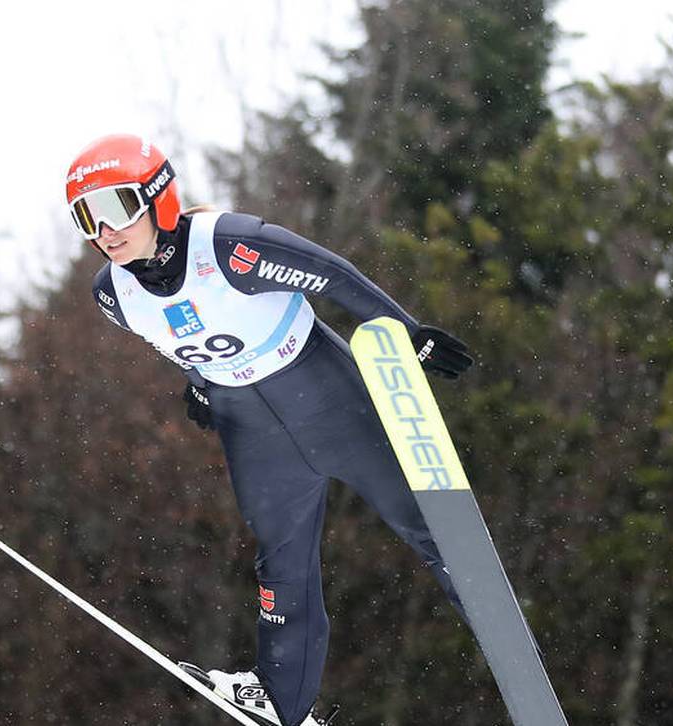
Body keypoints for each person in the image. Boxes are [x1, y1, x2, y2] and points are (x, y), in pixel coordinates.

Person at [65, 133, 474, 726]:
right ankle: (283, 702)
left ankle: (501, 635)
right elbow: (179, 336)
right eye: (86, 217)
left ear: (158, 197)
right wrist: (200, 383)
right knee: (281, 566)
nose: (104, 231)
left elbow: (332, 276)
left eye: (115, 208)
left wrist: (406, 331)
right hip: (253, 431)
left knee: (425, 524)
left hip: (326, 396)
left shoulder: (229, 246)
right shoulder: (113, 295)